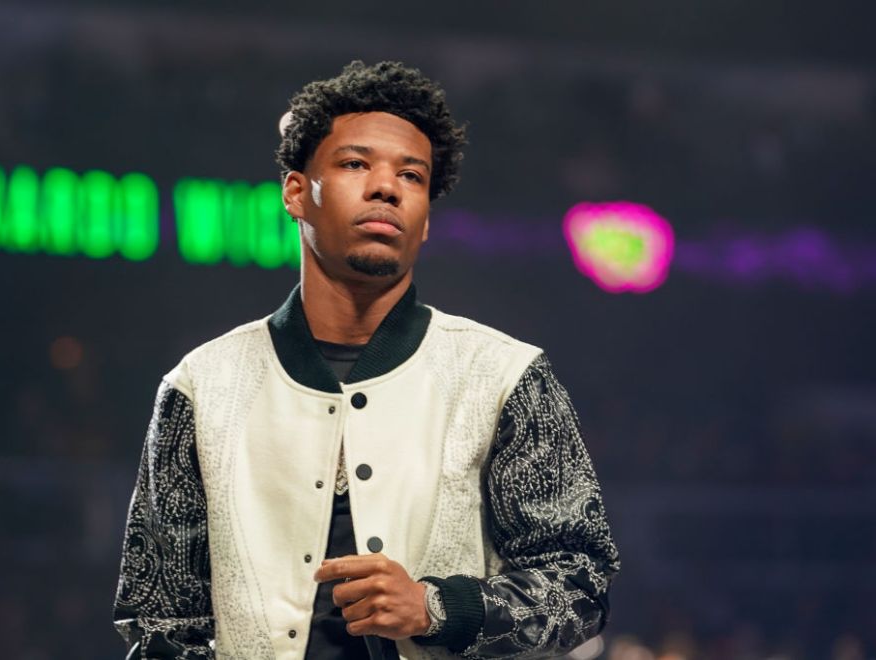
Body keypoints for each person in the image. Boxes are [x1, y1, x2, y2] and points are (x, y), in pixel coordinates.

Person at [113, 60, 620, 660]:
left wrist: (435, 608)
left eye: (412, 175)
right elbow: (158, 621)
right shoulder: (201, 386)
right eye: (356, 164)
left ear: (425, 218)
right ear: (297, 192)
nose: (387, 187)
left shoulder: (506, 377)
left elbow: (580, 581)